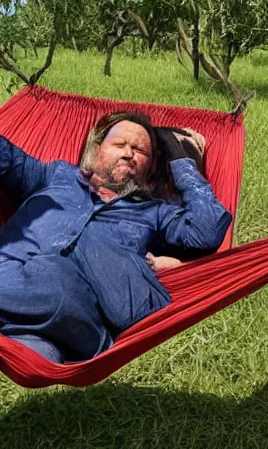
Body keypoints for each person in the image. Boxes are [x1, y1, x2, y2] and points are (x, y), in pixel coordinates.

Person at [0, 112, 231, 363]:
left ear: (151, 167)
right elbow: (7, 158)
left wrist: (182, 162)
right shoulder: (55, 176)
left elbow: (207, 231)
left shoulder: (153, 213)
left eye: (140, 151)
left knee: (55, 279)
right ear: (97, 149)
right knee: (38, 355)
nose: (128, 153)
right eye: (119, 144)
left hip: (76, 311)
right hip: (25, 320)